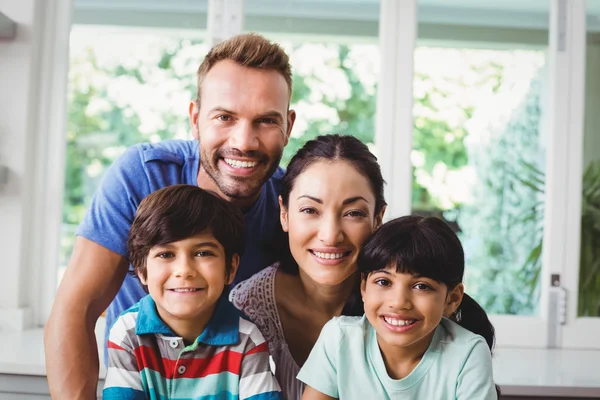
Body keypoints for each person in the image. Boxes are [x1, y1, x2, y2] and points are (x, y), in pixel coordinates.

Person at [45, 33, 296, 398]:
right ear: (195, 118)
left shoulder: (292, 203)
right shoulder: (141, 175)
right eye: (224, 117)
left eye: (265, 121)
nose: (244, 141)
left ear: (288, 126)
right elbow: (75, 311)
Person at [230, 134, 387, 400]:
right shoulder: (246, 308)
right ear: (284, 213)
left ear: (378, 219)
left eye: (353, 213)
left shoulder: (402, 307)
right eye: (310, 210)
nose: (330, 235)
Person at [102, 185, 282, 400]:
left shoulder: (247, 339)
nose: (184, 271)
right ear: (142, 270)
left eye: (203, 253)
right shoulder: (127, 332)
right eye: (166, 254)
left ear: (231, 268)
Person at [297, 215, 500, 400]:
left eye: (421, 286)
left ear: (452, 299)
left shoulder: (468, 353)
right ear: (363, 287)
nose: (399, 302)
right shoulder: (339, 338)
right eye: (384, 282)